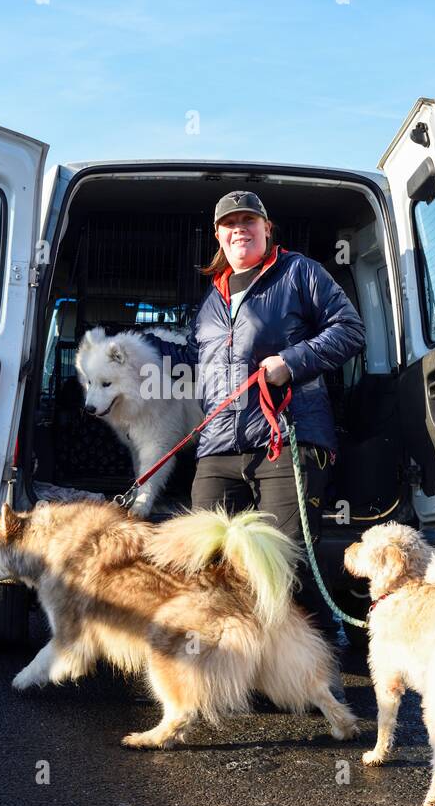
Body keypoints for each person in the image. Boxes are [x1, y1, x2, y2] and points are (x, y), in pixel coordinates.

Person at [142, 190, 365, 643]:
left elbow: (350, 329)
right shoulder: (212, 299)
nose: (239, 228)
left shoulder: (299, 272)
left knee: (284, 563)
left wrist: (292, 360)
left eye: (249, 220)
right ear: (219, 236)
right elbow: (194, 356)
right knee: (206, 557)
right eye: (230, 223)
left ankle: (318, 655)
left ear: (267, 229)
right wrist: (136, 348)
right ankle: (235, 659)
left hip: (286, 438)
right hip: (220, 446)